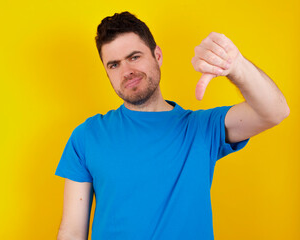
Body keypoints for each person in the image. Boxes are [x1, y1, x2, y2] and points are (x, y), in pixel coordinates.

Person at [55, 11, 289, 240]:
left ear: (157, 55)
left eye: (134, 57)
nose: (127, 71)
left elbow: (275, 111)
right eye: (114, 65)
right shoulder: (87, 136)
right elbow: (72, 232)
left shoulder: (202, 128)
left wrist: (237, 66)